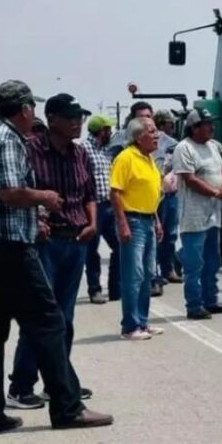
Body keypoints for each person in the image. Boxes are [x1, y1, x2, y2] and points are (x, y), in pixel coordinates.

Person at [0, 80, 112, 436]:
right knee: (49, 323)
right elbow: (9, 192)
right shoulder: (9, 141)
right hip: (10, 250)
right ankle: (67, 408)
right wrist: (44, 197)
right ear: (25, 109)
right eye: (32, 108)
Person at [5, 93, 97, 408]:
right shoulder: (29, 151)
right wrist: (37, 219)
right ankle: (21, 386)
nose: (77, 123)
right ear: (52, 119)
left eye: (79, 117)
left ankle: (57, 384)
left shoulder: (80, 154)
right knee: (42, 316)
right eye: (70, 117)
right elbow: (18, 192)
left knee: (65, 317)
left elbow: (89, 194)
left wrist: (92, 222)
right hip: (45, 243)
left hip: (76, 240)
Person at [173, 109, 222, 319]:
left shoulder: (212, 146)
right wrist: (218, 193)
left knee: (212, 261)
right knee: (194, 264)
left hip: (213, 214)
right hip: (194, 216)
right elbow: (190, 179)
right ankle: (194, 305)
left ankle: (211, 300)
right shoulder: (184, 148)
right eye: (207, 124)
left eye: (212, 123)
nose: (212, 127)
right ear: (195, 127)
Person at [111, 116, 165, 339]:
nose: (156, 135)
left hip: (148, 219)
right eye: (151, 131)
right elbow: (115, 193)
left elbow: (150, 194)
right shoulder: (126, 158)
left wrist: (156, 220)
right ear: (138, 136)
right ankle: (130, 326)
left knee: (148, 274)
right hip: (132, 221)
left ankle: (142, 322)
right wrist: (122, 224)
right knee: (134, 275)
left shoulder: (148, 159)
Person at [83, 115, 116, 304]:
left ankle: (116, 287)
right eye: (108, 129)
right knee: (91, 250)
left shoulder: (105, 151)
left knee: (119, 245)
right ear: (100, 131)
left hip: (109, 206)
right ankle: (94, 289)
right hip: (92, 206)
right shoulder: (84, 149)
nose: (110, 132)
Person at [150, 111, 180, 296]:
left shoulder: (174, 144)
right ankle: (154, 275)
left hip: (172, 194)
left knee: (170, 234)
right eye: (170, 123)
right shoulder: (153, 144)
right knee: (156, 235)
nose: (172, 127)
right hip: (157, 195)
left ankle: (168, 269)